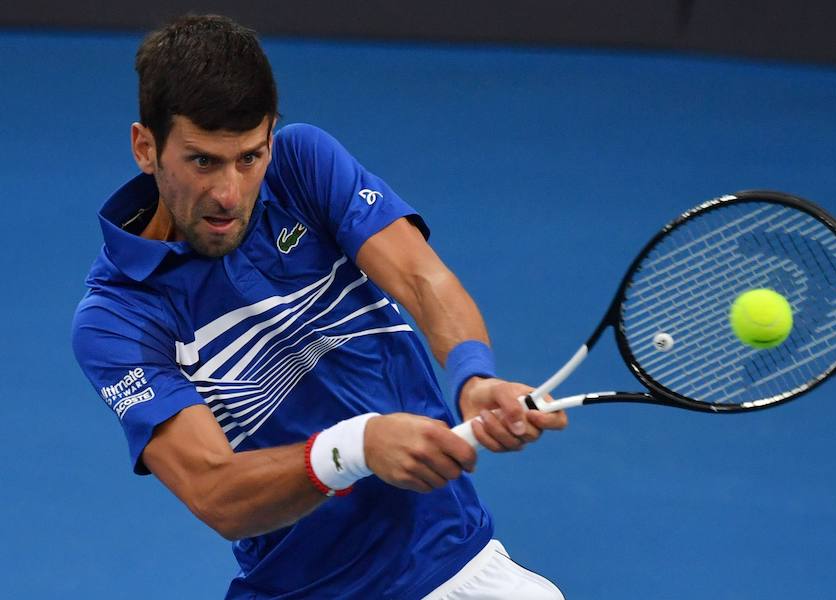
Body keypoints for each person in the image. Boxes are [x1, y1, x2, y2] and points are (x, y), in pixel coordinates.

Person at [71, 14, 567, 600]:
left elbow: (419, 277)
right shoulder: (117, 317)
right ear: (146, 148)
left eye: (250, 157)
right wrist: (356, 448)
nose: (229, 194)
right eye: (203, 161)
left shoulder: (303, 165)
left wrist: (471, 376)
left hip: (455, 564)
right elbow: (215, 492)